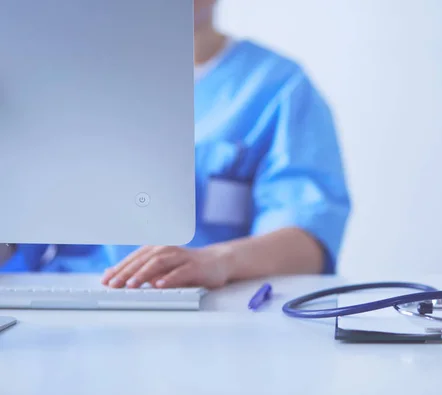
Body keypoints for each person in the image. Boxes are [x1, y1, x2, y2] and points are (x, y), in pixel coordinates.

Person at [0, 0, 351, 289]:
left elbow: (309, 240)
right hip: (65, 304)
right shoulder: (64, 77)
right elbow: (21, 233)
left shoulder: (277, 86)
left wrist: (219, 260)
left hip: (207, 309)